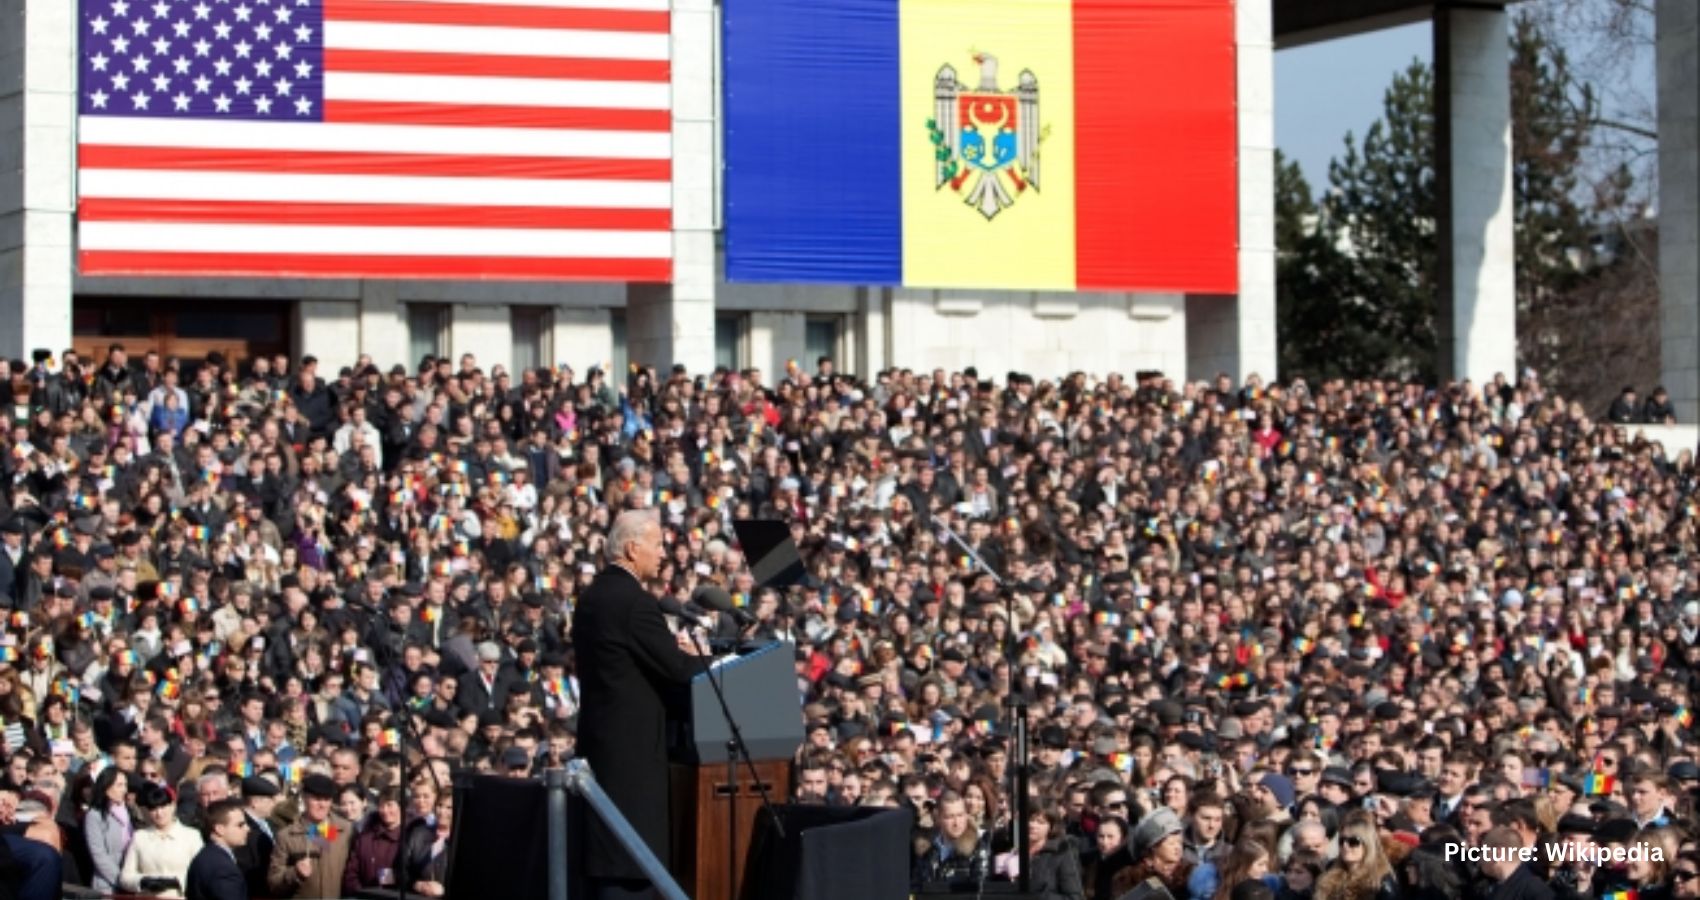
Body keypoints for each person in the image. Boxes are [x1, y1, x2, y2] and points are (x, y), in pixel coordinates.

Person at [573, 509, 702, 899]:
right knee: (629, 860)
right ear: (632, 548)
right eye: (658, 544)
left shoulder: (592, 597)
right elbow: (678, 669)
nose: (663, 553)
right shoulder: (635, 602)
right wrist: (713, 659)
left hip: (601, 745)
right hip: (634, 757)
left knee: (607, 858)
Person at [266, 774, 352, 899]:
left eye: (326, 799)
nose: (322, 805)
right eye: (316, 799)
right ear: (304, 798)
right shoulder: (286, 836)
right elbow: (273, 883)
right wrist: (295, 873)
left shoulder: (345, 830)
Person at [119, 782, 204, 898]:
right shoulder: (140, 837)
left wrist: (176, 881)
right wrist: (143, 881)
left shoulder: (191, 836)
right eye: (153, 809)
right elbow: (125, 877)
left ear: (173, 806)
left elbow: (201, 874)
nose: (159, 813)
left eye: (163, 807)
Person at [186, 798, 251, 900]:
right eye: (240, 825)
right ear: (219, 829)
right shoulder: (222, 869)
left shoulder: (207, 856)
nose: (247, 829)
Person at [84, 765, 135, 894]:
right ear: (106, 788)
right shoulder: (95, 815)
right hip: (107, 884)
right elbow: (98, 854)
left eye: (125, 785)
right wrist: (121, 880)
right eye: (119, 785)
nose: (124, 789)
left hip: (131, 879)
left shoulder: (128, 811)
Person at [231, 776, 280, 899]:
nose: (274, 804)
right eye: (270, 800)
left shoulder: (269, 823)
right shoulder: (243, 827)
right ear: (255, 802)